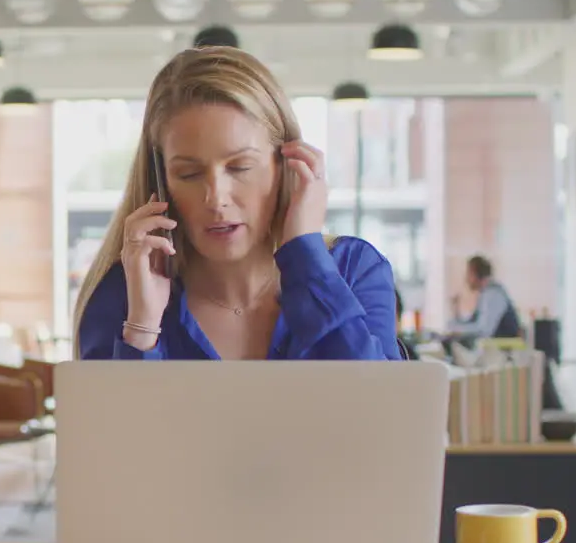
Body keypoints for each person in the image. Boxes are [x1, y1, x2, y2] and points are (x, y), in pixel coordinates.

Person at [74, 47, 401, 361]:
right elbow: (112, 418)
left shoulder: (354, 270)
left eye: (240, 167)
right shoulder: (126, 291)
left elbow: (383, 409)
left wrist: (307, 258)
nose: (216, 198)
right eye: (188, 174)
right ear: (163, 181)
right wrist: (142, 329)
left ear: (286, 165)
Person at [447, 255, 522, 341]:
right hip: (491, 348)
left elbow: (484, 330)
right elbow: (475, 324)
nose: (466, 279)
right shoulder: (485, 294)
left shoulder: (493, 294)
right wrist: (456, 312)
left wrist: (457, 330)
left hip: (501, 350)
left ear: (475, 274)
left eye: (468, 273)